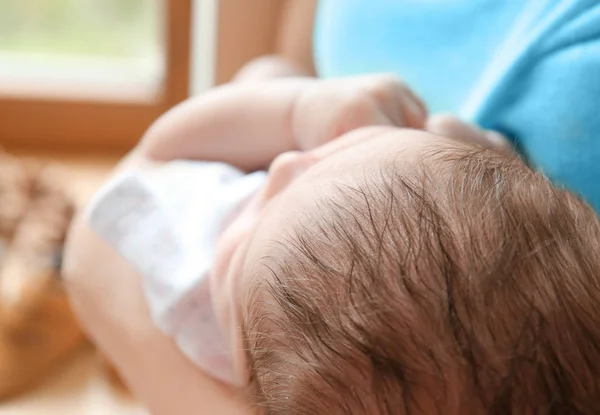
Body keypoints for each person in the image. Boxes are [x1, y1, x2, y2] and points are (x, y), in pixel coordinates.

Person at [65, 72, 600, 415]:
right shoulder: (469, 208)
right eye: (335, 153)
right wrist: (468, 163)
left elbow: (160, 153)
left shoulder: (192, 294)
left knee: (264, 72)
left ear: (234, 364)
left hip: (226, 158)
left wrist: (295, 108)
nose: (284, 165)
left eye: (256, 216)